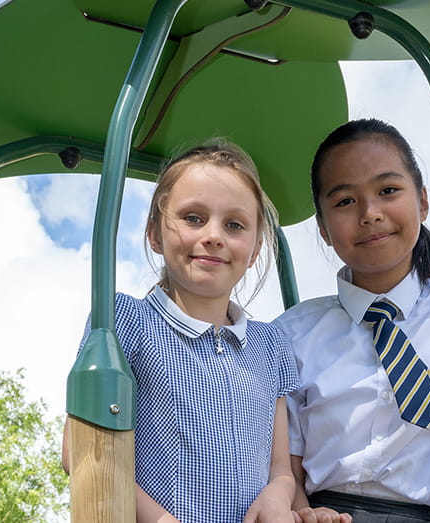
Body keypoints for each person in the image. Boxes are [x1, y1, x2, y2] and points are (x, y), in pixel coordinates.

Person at [276, 119, 430, 523]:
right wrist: (301, 512)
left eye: (387, 191)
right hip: (325, 514)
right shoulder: (292, 332)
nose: (370, 214)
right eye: (345, 201)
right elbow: (285, 461)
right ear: (324, 229)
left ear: (422, 201)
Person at [62, 141, 300, 523]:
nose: (213, 235)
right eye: (193, 218)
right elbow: (81, 449)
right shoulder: (127, 319)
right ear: (155, 234)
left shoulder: (270, 345)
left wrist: (277, 493)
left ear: (255, 250)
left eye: (234, 225)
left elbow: (281, 466)